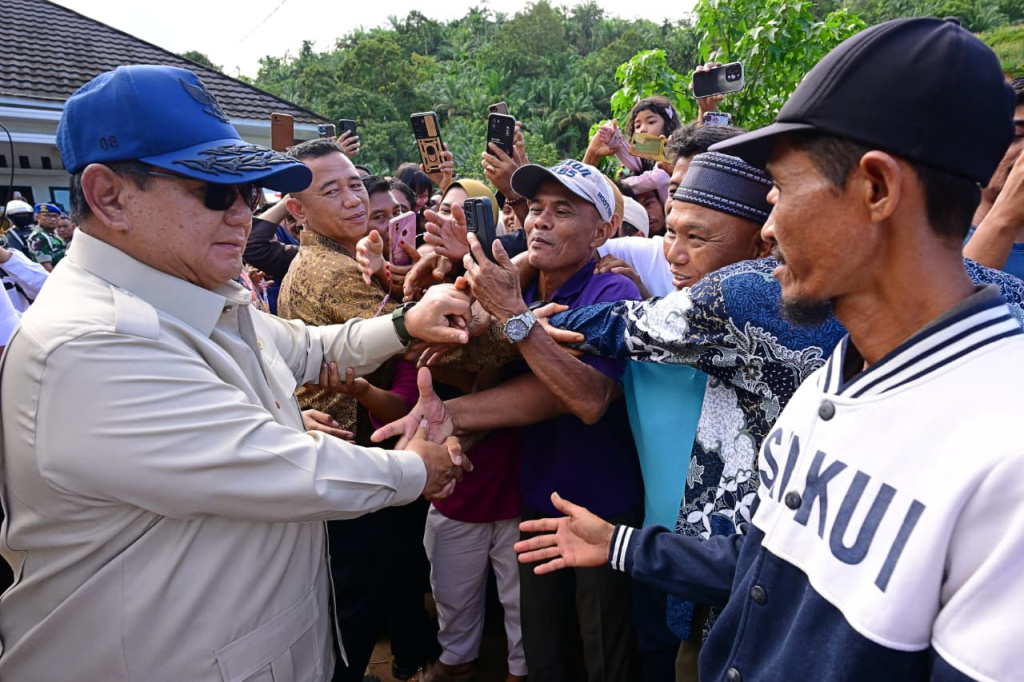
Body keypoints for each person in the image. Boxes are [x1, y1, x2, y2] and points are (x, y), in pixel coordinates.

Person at [517, 19, 1024, 681]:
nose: (770, 225)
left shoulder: (1003, 446)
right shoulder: (833, 382)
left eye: (782, 190)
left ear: (876, 189)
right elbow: (767, 563)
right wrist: (619, 547)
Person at [0, 64, 474, 682]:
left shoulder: (189, 290)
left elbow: (299, 347)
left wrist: (407, 325)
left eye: (251, 195)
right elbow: (275, 465)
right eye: (216, 193)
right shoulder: (94, 340)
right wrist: (419, 468)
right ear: (109, 195)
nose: (244, 216)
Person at [377, 160, 645, 682]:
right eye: (535, 208)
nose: (540, 221)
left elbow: (587, 397)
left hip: (602, 504)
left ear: (604, 231)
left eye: (563, 210)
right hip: (535, 499)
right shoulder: (519, 283)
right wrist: (451, 421)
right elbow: (491, 380)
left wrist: (513, 318)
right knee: (541, 652)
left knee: (604, 655)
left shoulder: (613, 294)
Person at [277, 138, 441, 681]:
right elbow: (423, 339)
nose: (353, 200)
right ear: (296, 209)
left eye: (354, 184)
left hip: (351, 444)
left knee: (381, 579)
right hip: (346, 450)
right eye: (332, 190)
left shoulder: (342, 262)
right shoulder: (332, 273)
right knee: (355, 601)